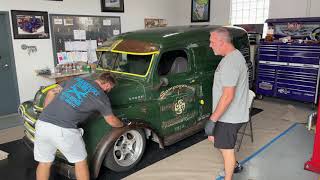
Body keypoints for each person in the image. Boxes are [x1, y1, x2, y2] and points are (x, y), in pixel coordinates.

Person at [34, 72, 125, 180]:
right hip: (64, 130)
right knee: (80, 162)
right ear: (108, 85)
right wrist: (122, 124)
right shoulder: (101, 96)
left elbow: (51, 92)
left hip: (42, 124)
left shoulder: (76, 80)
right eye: (110, 88)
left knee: (44, 163)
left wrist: (47, 113)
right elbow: (111, 121)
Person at [208, 27, 249, 180]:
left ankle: (229, 174)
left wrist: (213, 119)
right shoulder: (234, 56)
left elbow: (227, 96)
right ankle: (234, 165)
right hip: (230, 113)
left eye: (212, 42)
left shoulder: (230, 62)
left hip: (229, 116)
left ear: (221, 42)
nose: (210, 45)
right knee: (217, 141)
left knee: (226, 149)